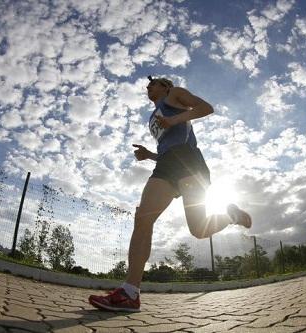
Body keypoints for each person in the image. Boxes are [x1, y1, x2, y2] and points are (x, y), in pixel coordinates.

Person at [89, 76, 251, 312]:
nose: (148, 87)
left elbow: (206, 108)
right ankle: (130, 293)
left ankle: (230, 216)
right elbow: (166, 146)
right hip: (165, 164)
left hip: (188, 162)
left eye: (152, 84)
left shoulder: (174, 94)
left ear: (165, 86)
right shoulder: (152, 117)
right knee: (143, 218)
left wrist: (175, 119)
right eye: (147, 86)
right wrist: (149, 155)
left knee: (198, 230)